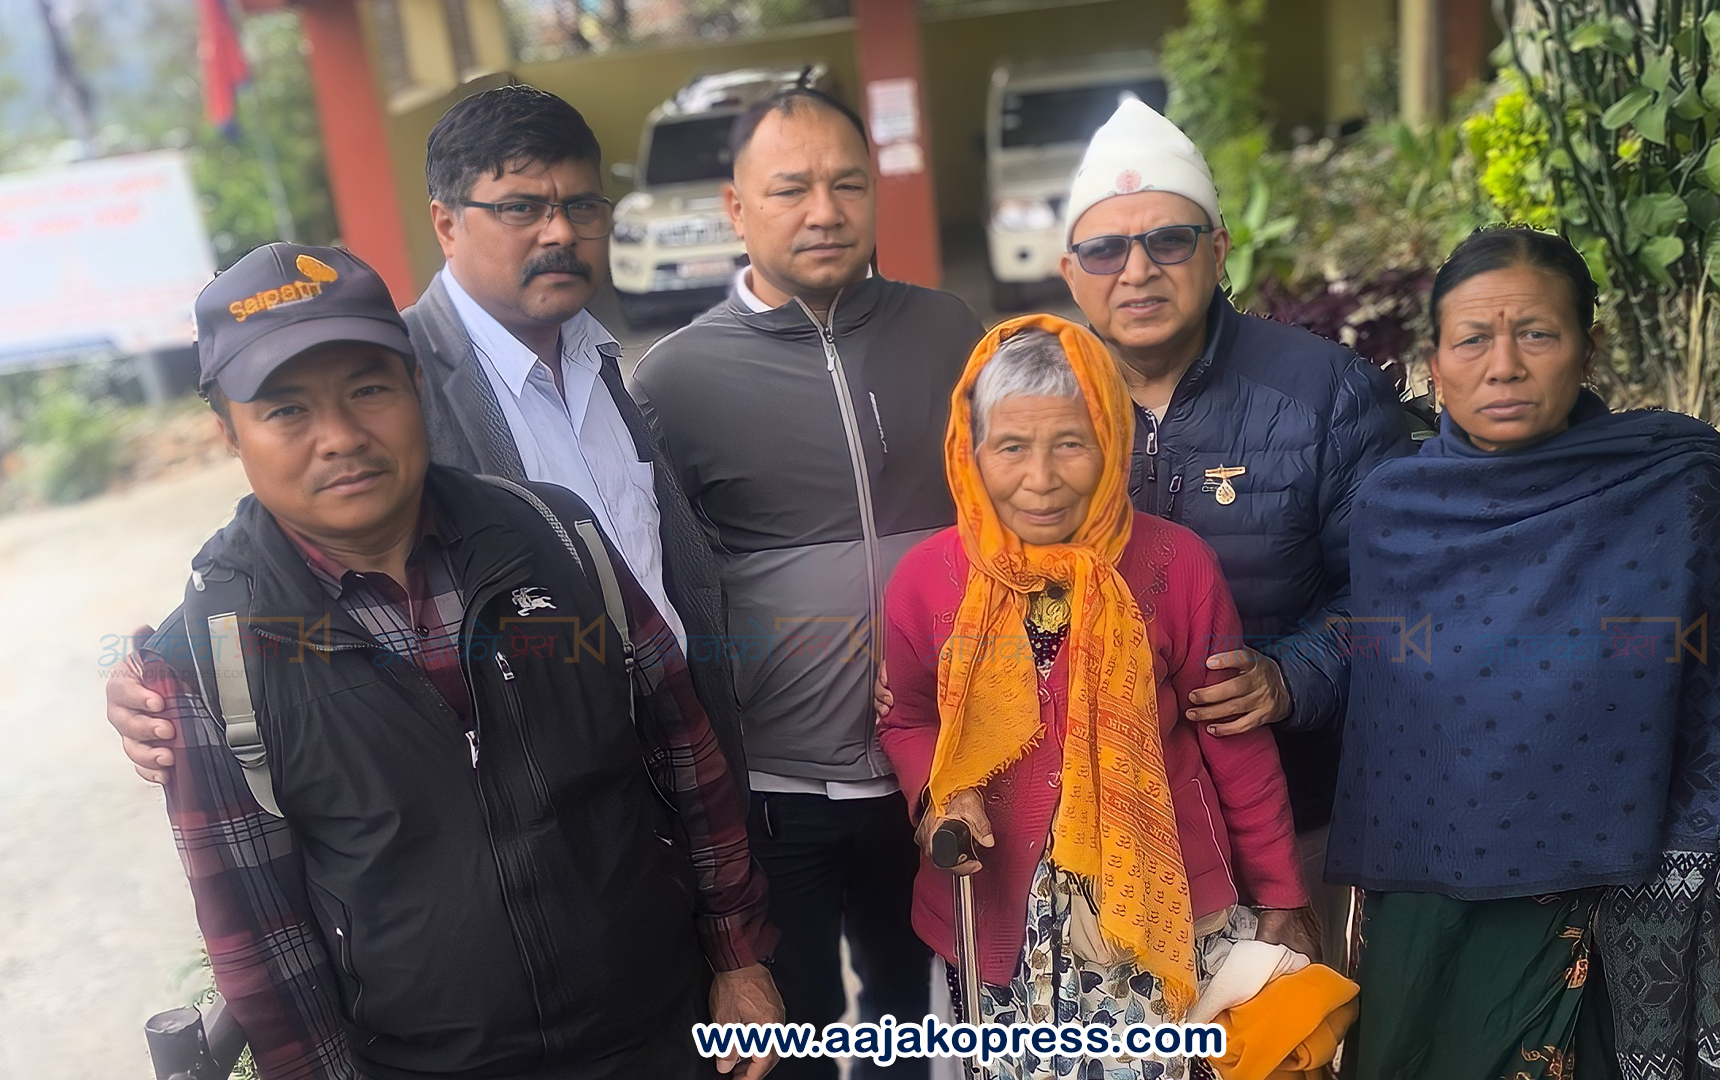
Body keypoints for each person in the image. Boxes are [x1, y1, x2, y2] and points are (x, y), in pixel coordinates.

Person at [143, 243, 780, 1080]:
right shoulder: (209, 653)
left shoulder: (558, 539)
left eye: (368, 389)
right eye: (287, 409)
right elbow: (261, 936)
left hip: (657, 1032)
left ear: (415, 383)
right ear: (229, 432)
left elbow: (685, 751)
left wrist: (737, 953)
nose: (340, 438)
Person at [109, 83, 745, 799]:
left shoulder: (598, 360)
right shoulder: (389, 380)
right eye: (520, 208)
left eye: (581, 206)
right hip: (536, 798)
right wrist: (156, 671)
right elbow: (293, 541)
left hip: (680, 759)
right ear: (446, 223)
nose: (560, 233)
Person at [1328, 226, 1720, 1080]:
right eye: (1472, 339)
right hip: (1428, 900)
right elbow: (1391, 709)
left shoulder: (1675, 481)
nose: (1504, 366)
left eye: (1537, 334)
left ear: (1589, 349)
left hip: (1615, 893)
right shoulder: (1396, 509)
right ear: (1435, 363)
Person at [630, 87, 981, 1080]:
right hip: (776, 788)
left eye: (848, 185)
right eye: (791, 189)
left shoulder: (949, 333)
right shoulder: (675, 381)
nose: (824, 211)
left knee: (918, 1016)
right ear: (736, 208)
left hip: (932, 770)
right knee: (798, 1031)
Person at [877, 318, 1317, 1080]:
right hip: (999, 920)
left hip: (1159, 911)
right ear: (970, 451)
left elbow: (1233, 740)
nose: (1040, 478)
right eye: (1011, 447)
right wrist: (942, 794)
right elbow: (908, 717)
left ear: (1112, 442)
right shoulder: (926, 579)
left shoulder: (1176, 566)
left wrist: (1281, 895)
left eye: (1070, 444)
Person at [1053, 98, 1417, 963]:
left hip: (1298, 812)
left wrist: (1289, 678)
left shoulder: (1326, 393)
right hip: (1100, 834)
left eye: (1169, 241)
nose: (1137, 271)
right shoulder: (1040, 402)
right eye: (1106, 250)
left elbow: (1398, 593)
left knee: (1291, 1025)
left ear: (1218, 251)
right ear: (1071, 272)